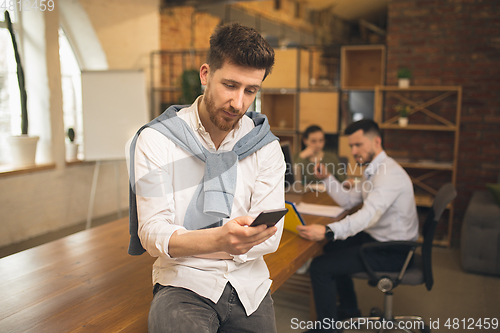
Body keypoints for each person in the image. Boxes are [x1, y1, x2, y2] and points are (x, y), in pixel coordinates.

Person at [127, 23, 285, 333]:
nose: (238, 103)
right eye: (230, 85)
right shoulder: (156, 140)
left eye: (250, 90)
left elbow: (273, 235)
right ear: (205, 75)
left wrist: (201, 242)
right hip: (183, 283)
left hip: (248, 285)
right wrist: (221, 240)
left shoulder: (266, 147)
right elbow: (152, 233)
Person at [297, 119, 418, 333]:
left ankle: (328, 329)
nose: (354, 151)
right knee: (330, 248)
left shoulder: (388, 175)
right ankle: (350, 309)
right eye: (351, 146)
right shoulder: (374, 169)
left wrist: (328, 230)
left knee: (320, 267)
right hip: (379, 239)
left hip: (393, 250)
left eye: (358, 145)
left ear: (376, 141)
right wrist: (327, 178)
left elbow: (367, 216)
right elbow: (349, 200)